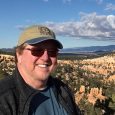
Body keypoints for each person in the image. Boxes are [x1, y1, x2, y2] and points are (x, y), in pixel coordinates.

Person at [0, 25, 81, 115]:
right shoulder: (4, 98)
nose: (45, 58)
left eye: (52, 52)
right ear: (19, 55)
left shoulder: (62, 90)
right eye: (37, 51)